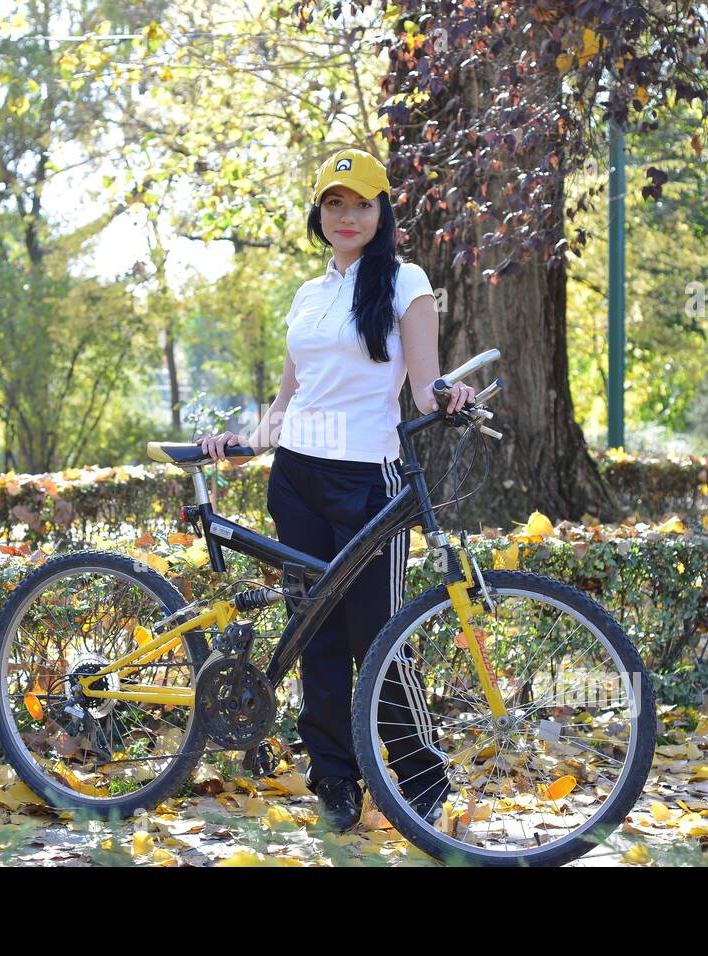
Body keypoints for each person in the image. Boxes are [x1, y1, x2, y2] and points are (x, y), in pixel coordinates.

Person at [196, 147, 476, 832]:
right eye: (334, 204)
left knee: (379, 639)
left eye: (362, 204)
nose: (347, 216)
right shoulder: (308, 294)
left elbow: (425, 378)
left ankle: (419, 782)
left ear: (383, 213)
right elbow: (289, 398)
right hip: (294, 478)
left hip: (368, 481)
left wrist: (451, 394)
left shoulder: (407, 281)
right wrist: (246, 442)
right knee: (315, 636)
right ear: (319, 213)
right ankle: (335, 782)